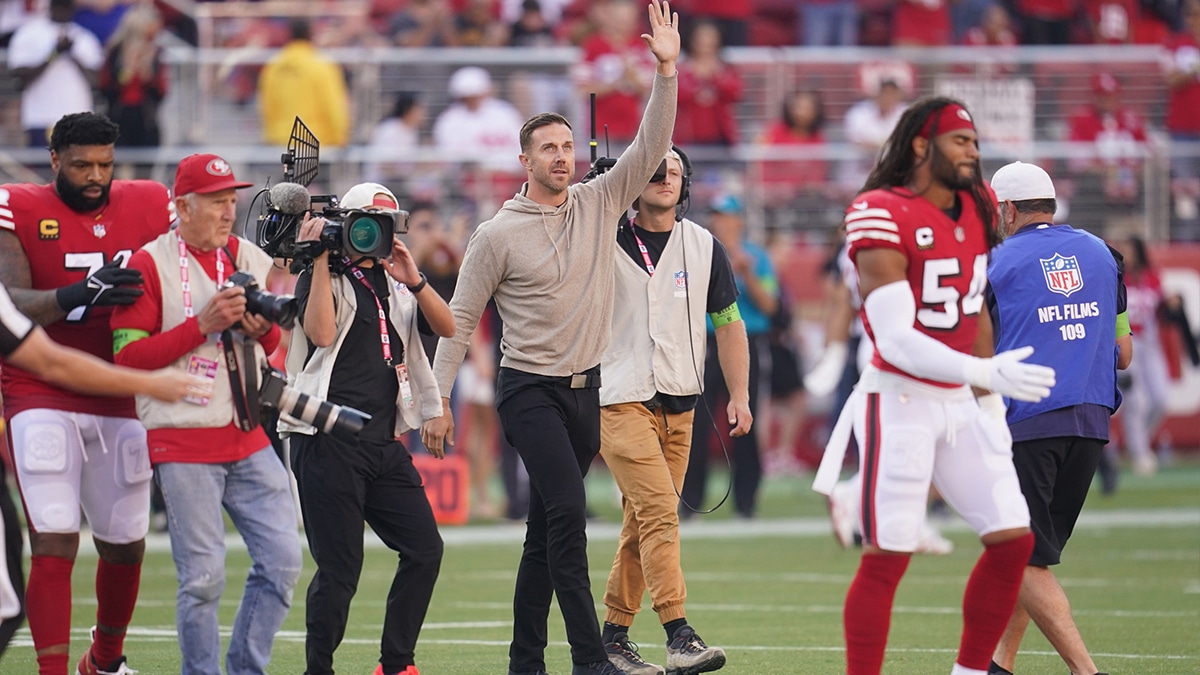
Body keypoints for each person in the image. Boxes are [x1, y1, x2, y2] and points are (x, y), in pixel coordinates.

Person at [422, 2, 680, 673]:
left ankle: (523, 661)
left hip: (585, 392)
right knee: (569, 514)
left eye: (569, 147)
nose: (564, 158)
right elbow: (458, 320)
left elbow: (652, 147)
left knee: (543, 535)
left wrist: (666, 72)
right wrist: (437, 399)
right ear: (524, 158)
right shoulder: (496, 233)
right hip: (527, 391)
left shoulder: (598, 201)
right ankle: (590, 658)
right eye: (549, 148)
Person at [810, 97, 1057, 675]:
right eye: (960, 142)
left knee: (1013, 541)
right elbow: (894, 337)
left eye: (973, 142)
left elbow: (975, 310)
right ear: (922, 145)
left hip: (959, 400)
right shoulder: (878, 209)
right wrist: (982, 374)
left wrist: (988, 396)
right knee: (889, 555)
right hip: (899, 398)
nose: (974, 153)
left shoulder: (976, 205)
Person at [111, 153, 303, 675]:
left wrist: (258, 329)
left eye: (231, 200)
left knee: (284, 562)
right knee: (202, 579)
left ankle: (246, 668)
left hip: (245, 431)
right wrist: (202, 324)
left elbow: (276, 344)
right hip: (181, 435)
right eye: (216, 202)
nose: (228, 211)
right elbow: (125, 358)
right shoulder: (147, 263)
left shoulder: (245, 255)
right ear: (182, 207)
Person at [0, 111, 175, 675]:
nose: (95, 175)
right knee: (53, 536)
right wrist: (78, 293)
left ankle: (104, 660)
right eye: (81, 165)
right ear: (54, 161)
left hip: (121, 386)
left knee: (125, 541)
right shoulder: (18, 205)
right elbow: (10, 299)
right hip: (39, 388)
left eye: (104, 164)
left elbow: (180, 276)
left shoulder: (149, 201)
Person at [280, 183, 455, 675]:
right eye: (363, 223)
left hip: (381, 440)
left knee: (424, 549)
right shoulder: (323, 275)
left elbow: (447, 327)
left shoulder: (397, 284)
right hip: (326, 437)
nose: (370, 234)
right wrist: (317, 259)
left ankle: (396, 664)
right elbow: (320, 333)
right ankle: (320, 670)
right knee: (340, 571)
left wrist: (415, 277)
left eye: (381, 224)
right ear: (344, 223)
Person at [598, 147, 746, 675]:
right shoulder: (601, 233)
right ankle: (679, 633)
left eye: (674, 172)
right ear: (631, 181)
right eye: (653, 171)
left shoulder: (706, 246)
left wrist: (740, 394)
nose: (664, 178)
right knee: (661, 513)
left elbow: (729, 322)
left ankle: (612, 637)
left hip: (682, 401)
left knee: (643, 522)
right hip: (619, 396)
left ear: (686, 185)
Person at [985, 161, 1129, 675]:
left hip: (1028, 417)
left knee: (1017, 551)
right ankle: (1000, 662)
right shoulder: (1103, 254)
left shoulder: (993, 262)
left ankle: (1085, 670)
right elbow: (1125, 350)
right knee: (1033, 556)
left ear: (1006, 208)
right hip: (1090, 419)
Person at [0, 280, 192, 661]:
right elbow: (47, 360)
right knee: (12, 597)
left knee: (124, 538)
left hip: (111, 407)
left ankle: (105, 661)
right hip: (46, 396)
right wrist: (149, 382)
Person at [682, 195, 776, 520]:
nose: (719, 222)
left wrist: (746, 271)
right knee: (697, 424)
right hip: (704, 342)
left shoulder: (757, 257)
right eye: (715, 215)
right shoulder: (699, 252)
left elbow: (769, 305)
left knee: (746, 422)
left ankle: (746, 503)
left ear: (738, 221)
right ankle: (691, 500)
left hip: (746, 344)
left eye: (725, 216)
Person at [7, 0, 102, 146]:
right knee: (43, 166)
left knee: (76, 166)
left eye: (66, 7)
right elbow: (21, 75)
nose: (63, 10)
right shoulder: (29, 33)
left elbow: (96, 79)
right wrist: (54, 54)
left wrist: (72, 54)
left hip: (78, 117)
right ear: (51, 6)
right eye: (59, 6)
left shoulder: (84, 37)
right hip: (41, 117)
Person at [258, 18, 350, 147]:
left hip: (280, 141)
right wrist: (340, 136)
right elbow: (332, 104)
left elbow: (267, 105)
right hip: (316, 142)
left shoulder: (274, 66)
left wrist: (271, 134)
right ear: (310, 34)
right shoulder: (321, 65)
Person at [99, 3, 168, 148]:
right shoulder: (116, 53)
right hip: (119, 116)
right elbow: (108, 87)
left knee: (144, 165)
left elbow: (160, 92)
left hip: (145, 119)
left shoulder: (155, 54)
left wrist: (147, 73)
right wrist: (128, 68)